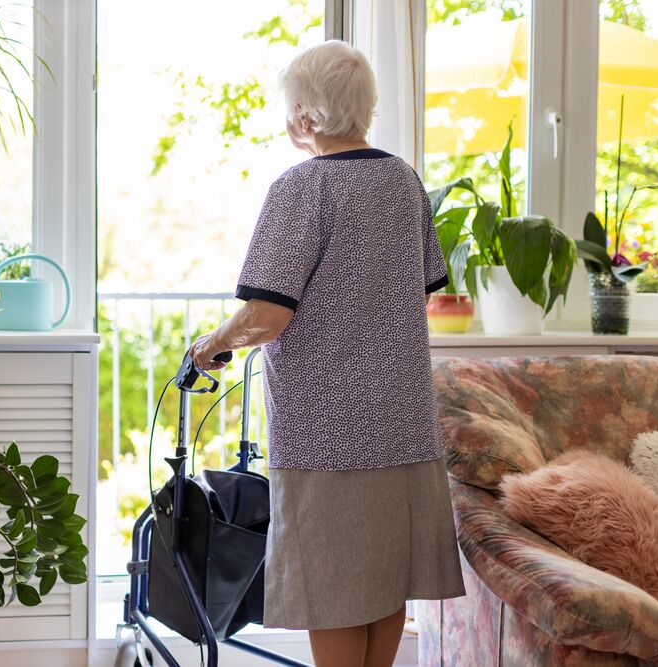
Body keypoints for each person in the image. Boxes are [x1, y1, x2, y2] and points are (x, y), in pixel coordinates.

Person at [189, 40, 465, 667]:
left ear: (307, 116)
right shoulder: (403, 180)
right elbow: (415, 289)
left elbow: (266, 316)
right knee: (383, 580)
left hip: (326, 432)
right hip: (403, 422)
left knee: (334, 590)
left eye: (290, 108)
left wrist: (212, 344)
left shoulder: (301, 188)